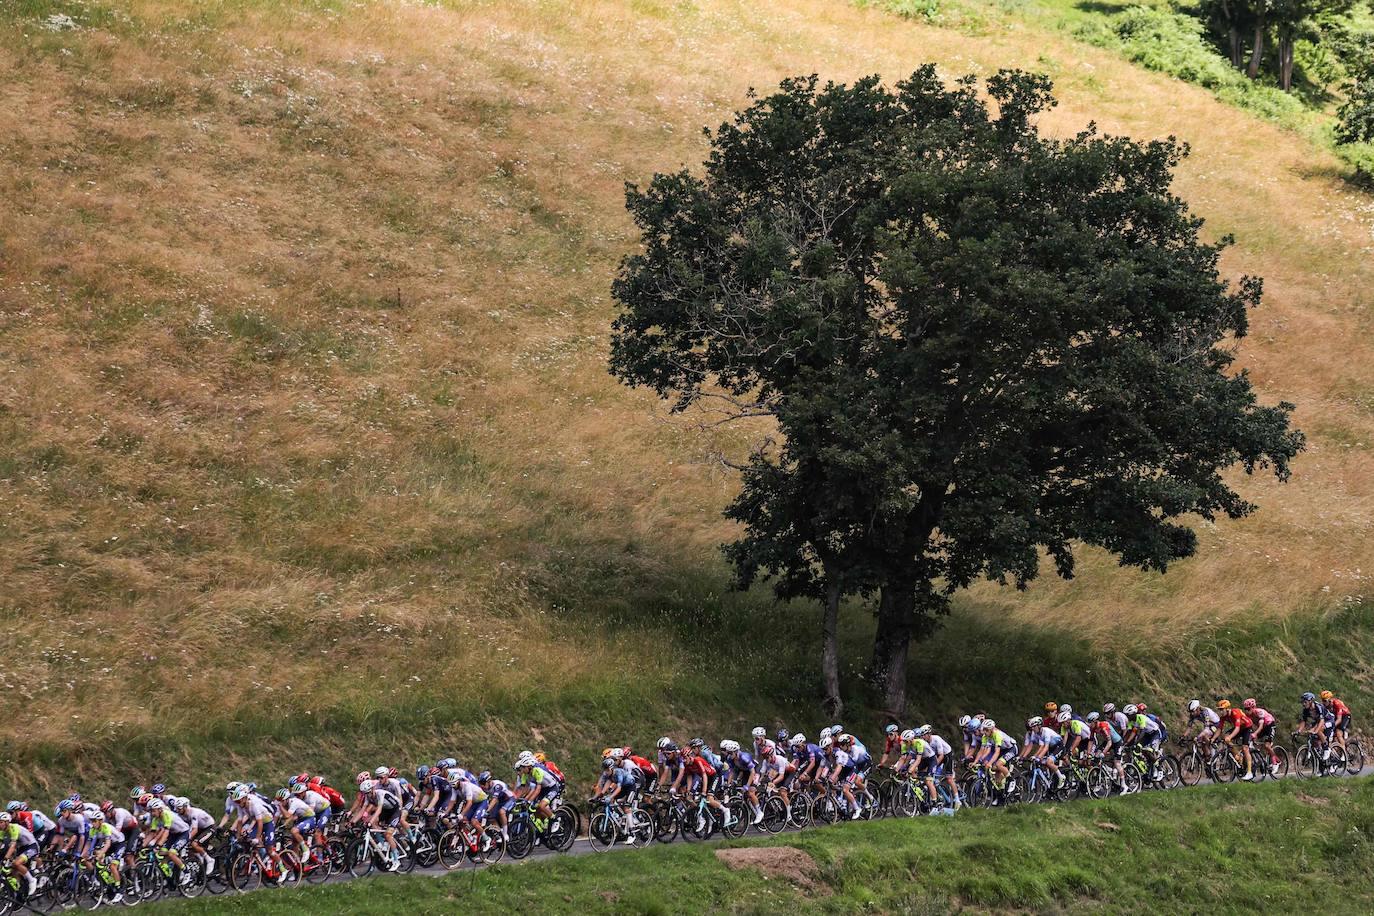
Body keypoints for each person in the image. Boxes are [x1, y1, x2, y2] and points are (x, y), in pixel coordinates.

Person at [0, 811, 40, 900]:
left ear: (7, 822)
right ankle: (19, 888)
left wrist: (6, 858)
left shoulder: (14, 828)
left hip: (31, 846)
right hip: (22, 848)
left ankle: (32, 880)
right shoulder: (2, 831)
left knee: (16, 863)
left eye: (1, 822)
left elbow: (13, 846)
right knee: (12, 869)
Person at [86, 810, 125, 903]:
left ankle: (119, 890)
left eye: (94, 821)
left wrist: (100, 853)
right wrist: (88, 854)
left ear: (100, 821)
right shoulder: (93, 829)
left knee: (112, 866)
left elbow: (107, 844)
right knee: (99, 862)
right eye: (91, 821)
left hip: (119, 844)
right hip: (111, 845)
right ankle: (109, 883)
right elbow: (90, 844)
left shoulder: (105, 827)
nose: (92, 823)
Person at [1216, 700, 1256, 780]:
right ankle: (1237, 754)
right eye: (1219, 709)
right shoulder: (1223, 717)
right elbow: (1219, 729)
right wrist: (1212, 739)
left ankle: (1249, 772)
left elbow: (1237, 729)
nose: (1220, 711)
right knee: (1225, 737)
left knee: (1245, 748)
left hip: (1247, 727)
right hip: (1240, 728)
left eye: (1222, 709)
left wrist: (1230, 737)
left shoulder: (1235, 712)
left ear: (1227, 709)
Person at [1243, 698, 1280, 777]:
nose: (1246, 711)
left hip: (1269, 726)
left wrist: (1255, 734)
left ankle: (1275, 763)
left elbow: (1260, 726)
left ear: (1253, 707)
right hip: (1263, 728)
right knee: (1251, 741)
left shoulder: (1259, 712)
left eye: (1248, 709)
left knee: (1267, 745)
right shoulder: (1248, 715)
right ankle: (1259, 758)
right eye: (1245, 709)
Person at [1297, 692, 1335, 762]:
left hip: (1329, 720)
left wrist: (1315, 731)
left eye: (1305, 702)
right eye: (1302, 702)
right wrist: (1298, 731)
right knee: (1314, 739)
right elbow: (1303, 721)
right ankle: (1321, 764)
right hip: (1319, 722)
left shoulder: (1318, 706)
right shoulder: (1306, 710)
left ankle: (1327, 749)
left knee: (1318, 731)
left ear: (1311, 701)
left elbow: (1322, 721)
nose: (1303, 704)